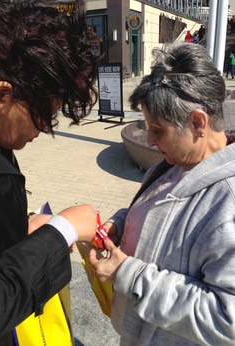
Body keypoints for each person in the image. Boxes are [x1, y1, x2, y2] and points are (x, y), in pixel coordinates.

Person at [90, 42, 235, 345]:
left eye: (158, 130)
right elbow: (159, 216)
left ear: (198, 122)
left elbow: (227, 318)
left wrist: (130, 276)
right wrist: (121, 223)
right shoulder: (177, 163)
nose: (151, 141)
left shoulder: (227, 199)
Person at [0, 0, 100, 345]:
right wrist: (60, 233)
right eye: (43, 115)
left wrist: (25, 225)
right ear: (0, 96)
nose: (44, 130)